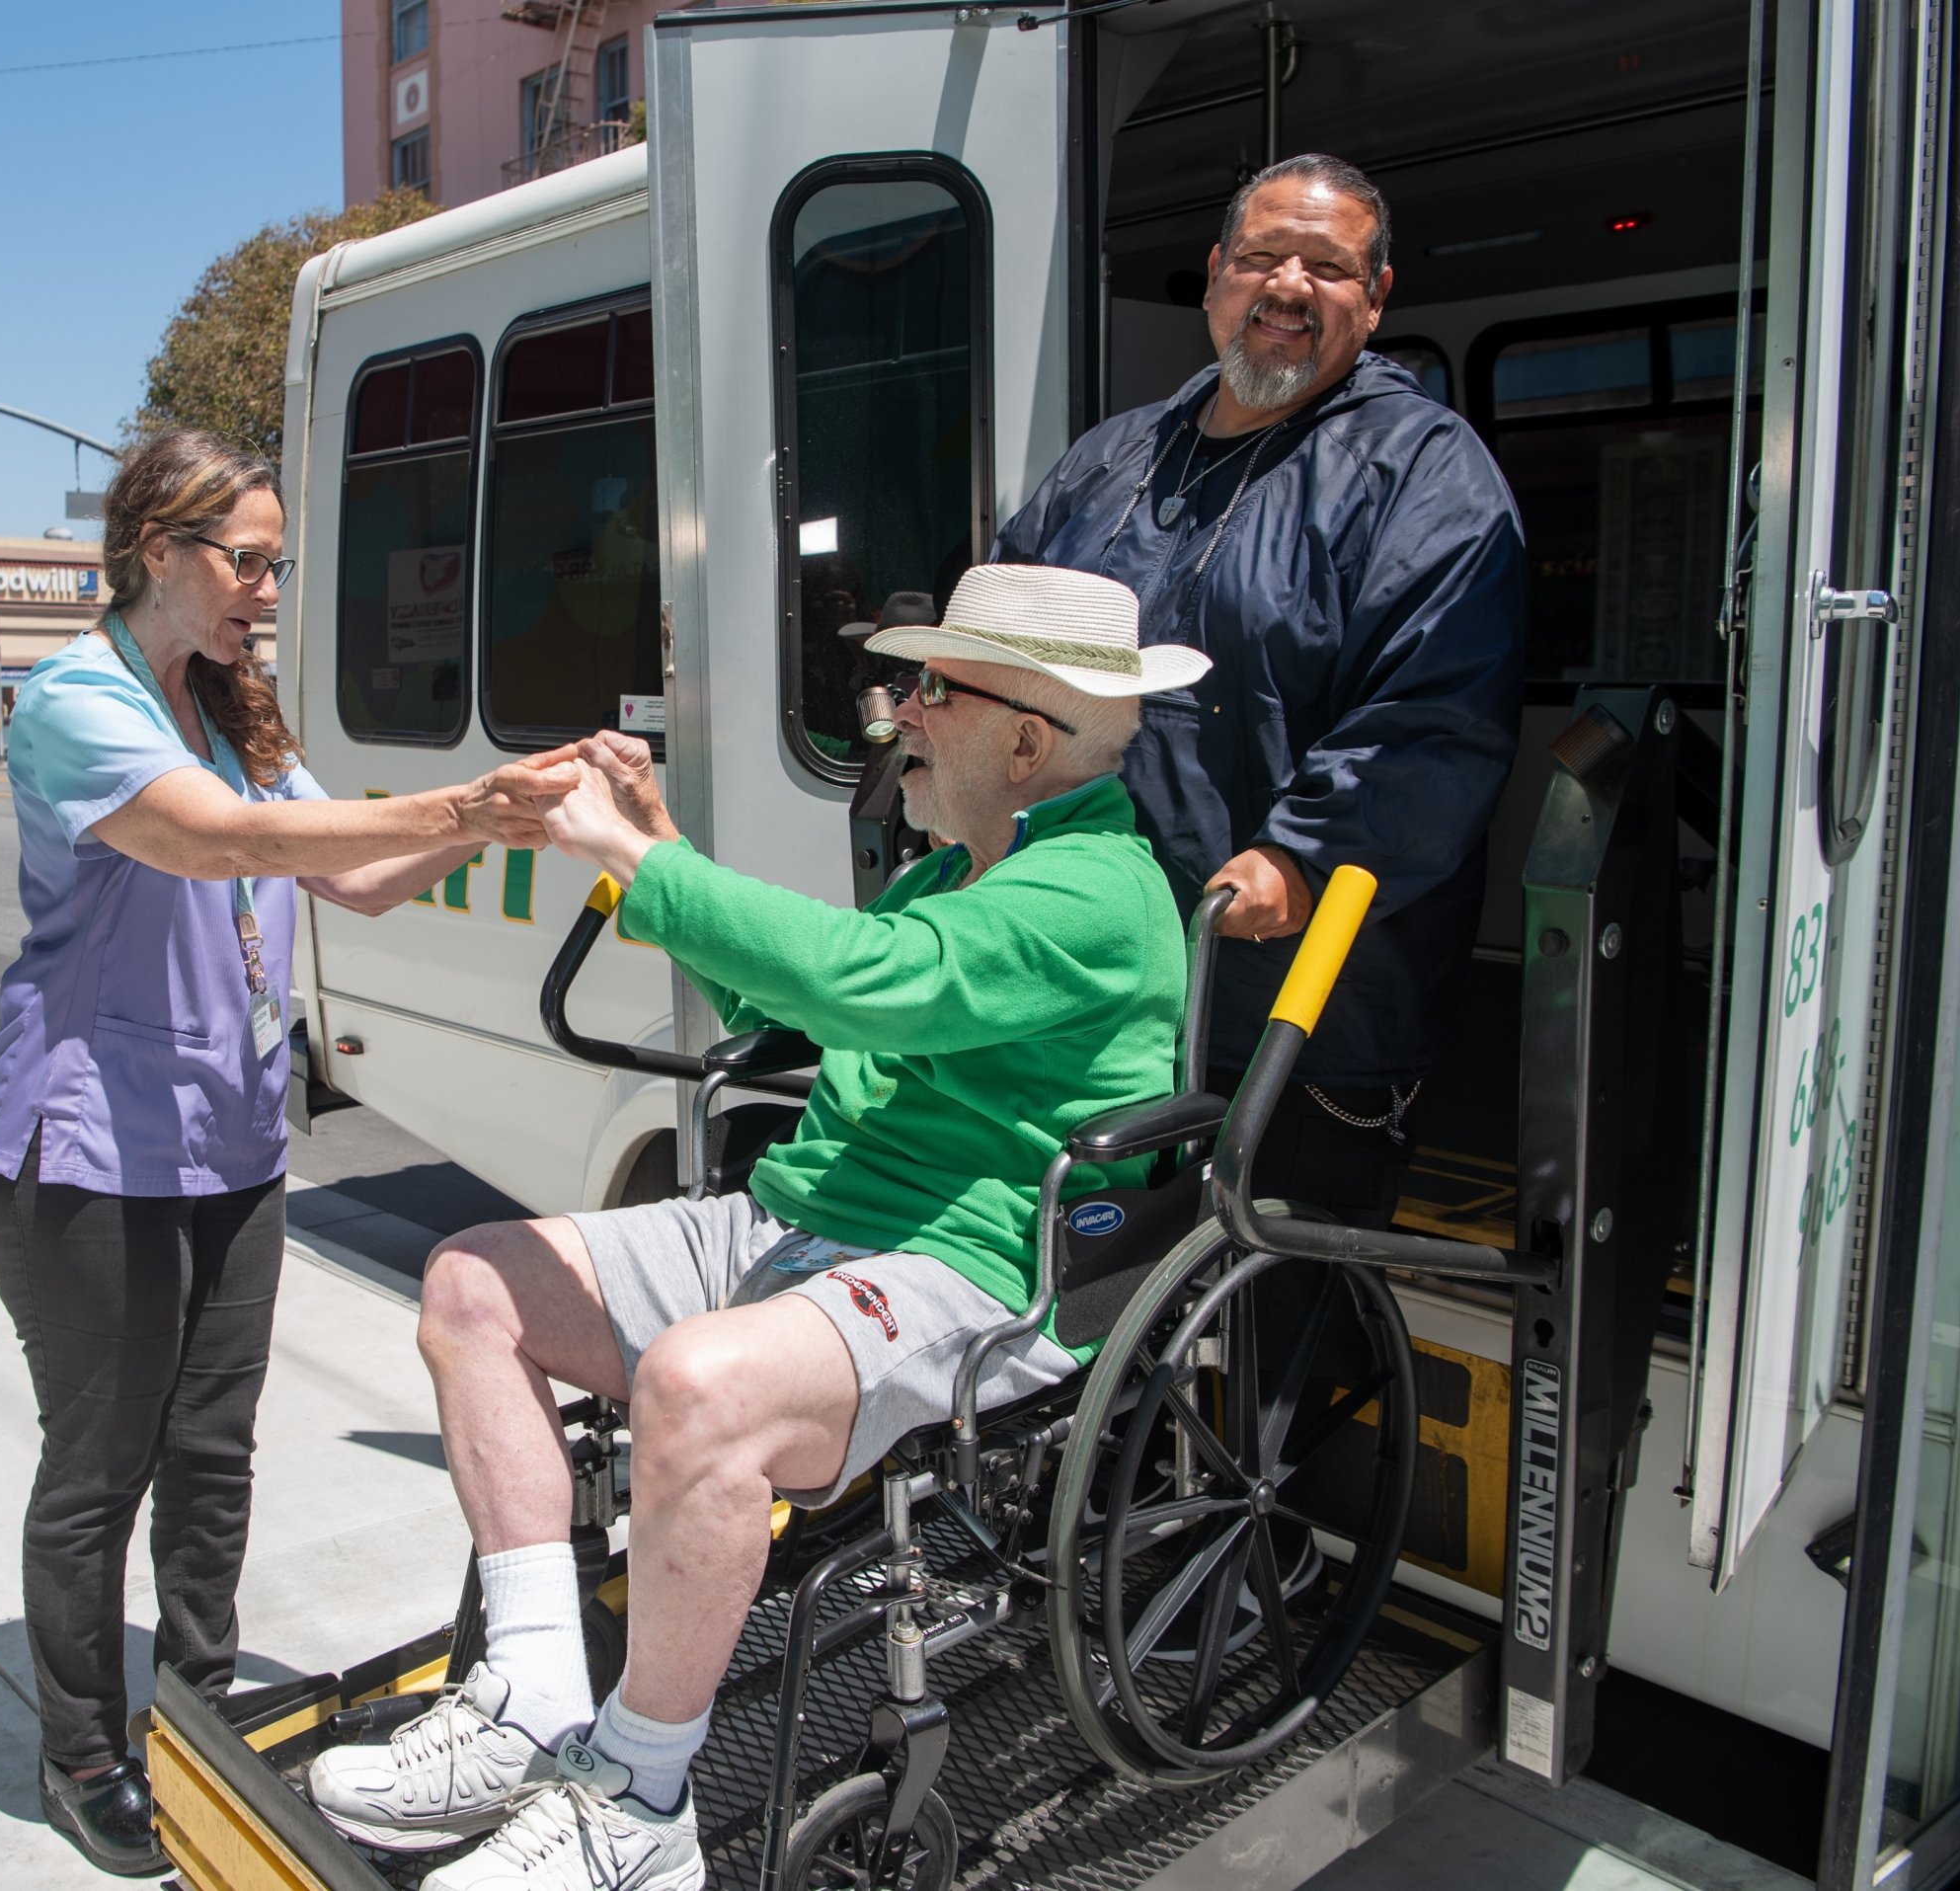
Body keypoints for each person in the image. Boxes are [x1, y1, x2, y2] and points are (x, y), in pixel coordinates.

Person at [304, 564, 1203, 1891]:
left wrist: (637, 857)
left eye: (931, 688)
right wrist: (664, 835)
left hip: (967, 1269)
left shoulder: (1095, 890)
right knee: (470, 1285)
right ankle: (537, 1694)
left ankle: (638, 1797)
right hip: (809, 1218)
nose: (899, 711)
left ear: (1025, 737)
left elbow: (868, 981)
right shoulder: (964, 866)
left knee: (695, 1386)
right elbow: (819, 1007)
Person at [0, 427, 572, 1878]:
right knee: (101, 1461)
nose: (265, 590)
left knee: (213, 1450)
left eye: (276, 566)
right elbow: (224, 847)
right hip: (88, 1146)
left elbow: (348, 871)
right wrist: (466, 803)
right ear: (158, 549)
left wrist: (513, 818)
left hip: (230, 1138)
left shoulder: (232, 707)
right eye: (248, 561)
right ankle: (83, 1751)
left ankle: (197, 1698)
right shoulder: (74, 701)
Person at [993, 152, 1527, 1226]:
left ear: (1374, 301)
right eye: (1260, 257)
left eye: (1326, 268)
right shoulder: (1111, 460)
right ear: (1213, 276)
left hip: (1299, 1005)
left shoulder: (1426, 472)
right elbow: (1006, 642)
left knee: (1278, 1332)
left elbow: (1437, 714)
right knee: (1099, 1310)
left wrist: (1304, 852)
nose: (1286, 287)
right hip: (1097, 978)